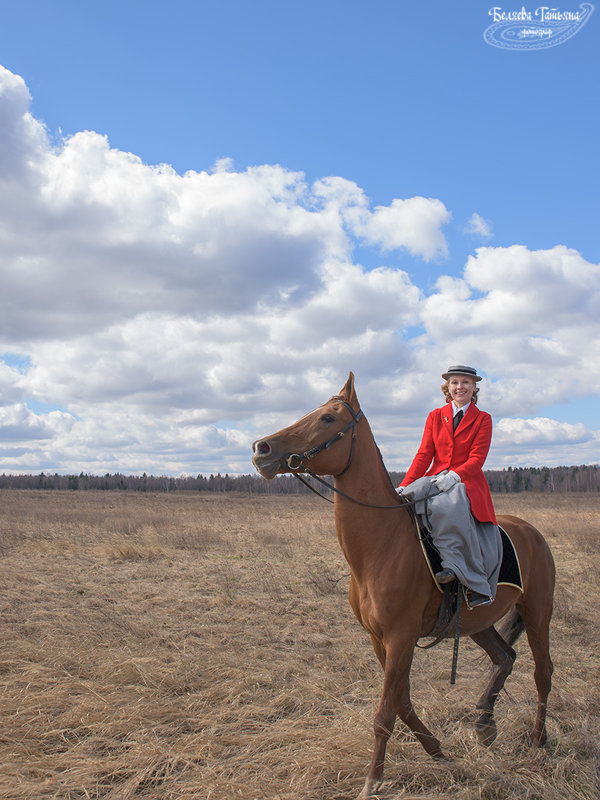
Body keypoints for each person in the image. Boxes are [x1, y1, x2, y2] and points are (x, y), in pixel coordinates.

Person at [397, 365, 500, 608]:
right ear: (448, 387)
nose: (460, 387)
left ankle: (458, 568)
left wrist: (455, 476)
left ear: (474, 387)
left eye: (465, 382)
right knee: (406, 501)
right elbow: (424, 454)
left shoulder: (483, 419)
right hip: (435, 476)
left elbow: (477, 459)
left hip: (466, 481)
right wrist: (405, 485)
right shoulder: (435, 416)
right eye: (455, 382)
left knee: (447, 505)